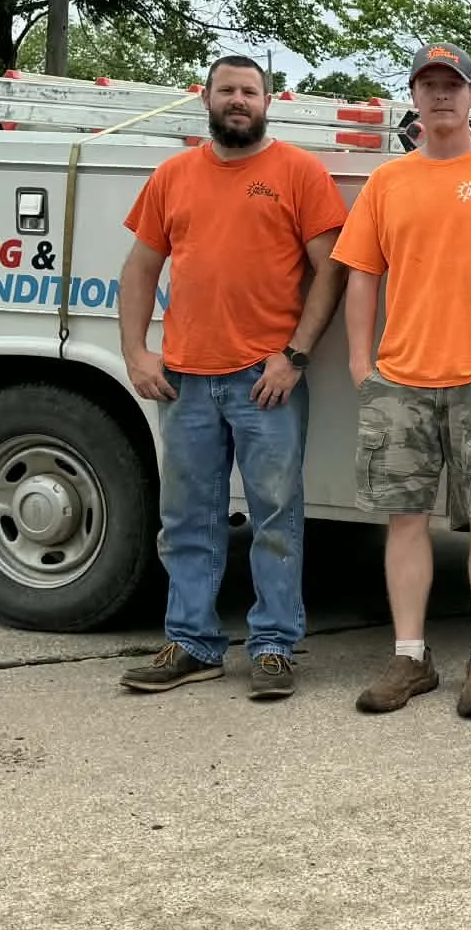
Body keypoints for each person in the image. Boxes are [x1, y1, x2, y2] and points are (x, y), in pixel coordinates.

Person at [334, 41, 471, 720]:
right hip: (400, 379)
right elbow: (361, 276)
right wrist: (358, 361)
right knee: (406, 519)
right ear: (414, 97)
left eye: (451, 85)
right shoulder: (387, 183)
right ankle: (410, 657)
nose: (440, 96)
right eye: (428, 85)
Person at [116, 55, 351, 701]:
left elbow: (330, 270)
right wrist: (136, 353)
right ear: (207, 99)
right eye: (227, 90)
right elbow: (139, 269)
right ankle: (192, 644)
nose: (238, 100)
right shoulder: (173, 176)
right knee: (187, 519)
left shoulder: (299, 173)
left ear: (269, 102)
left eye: (250, 91)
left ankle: (274, 646)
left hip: (264, 382)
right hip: (185, 381)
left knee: (277, 517)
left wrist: (294, 355)